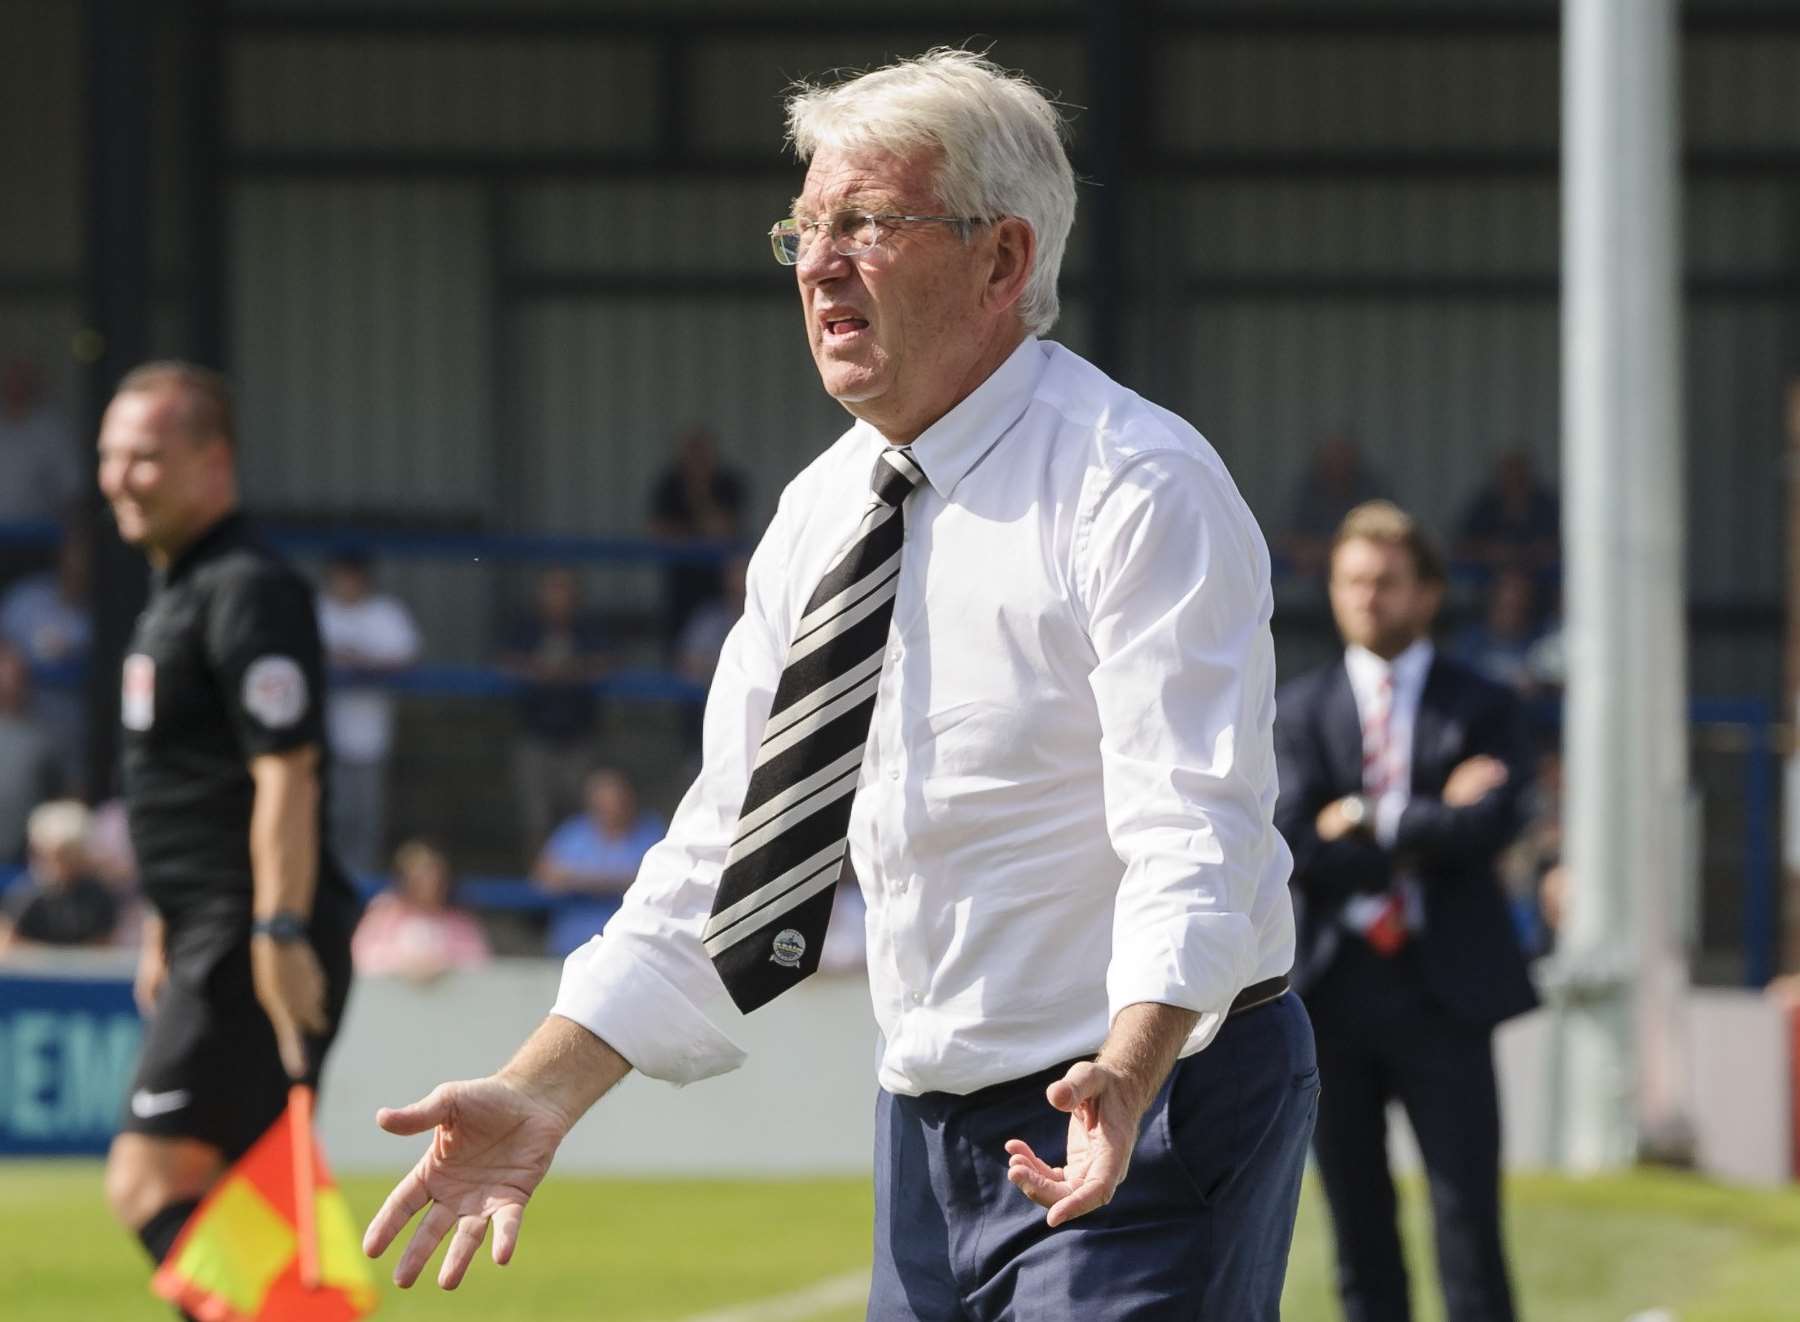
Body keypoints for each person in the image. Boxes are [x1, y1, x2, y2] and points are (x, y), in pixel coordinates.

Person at [364, 50, 1312, 1319]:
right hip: (924, 1123)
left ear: (1001, 260)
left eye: (867, 223)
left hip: (1149, 1105)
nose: (817, 263)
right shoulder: (821, 513)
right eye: (805, 227)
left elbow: (1196, 830)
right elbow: (729, 851)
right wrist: (541, 1087)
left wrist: (1129, 1075)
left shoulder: (1135, 487)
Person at [93, 361, 362, 1310]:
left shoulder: (249, 588)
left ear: (215, 463)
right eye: (111, 455)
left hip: (249, 931)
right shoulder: (179, 590)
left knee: (150, 1179)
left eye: (147, 456)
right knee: (245, 1197)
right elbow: (196, 782)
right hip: (209, 928)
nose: (121, 476)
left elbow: (286, 768)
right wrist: (166, 924)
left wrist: (277, 933)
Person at [1273, 500, 1537, 1322]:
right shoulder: (1298, 709)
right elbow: (1293, 845)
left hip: (1444, 990)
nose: (1367, 597)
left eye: (1387, 582)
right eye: (1353, 581)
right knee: (1356, 1223)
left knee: (1467, 1219)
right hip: (1332, 992)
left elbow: (1491, 823)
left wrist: (1361, 814)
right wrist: (1426, 821)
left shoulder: (1485, 704)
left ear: (1426, 593)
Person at [316, 548, 421, 875]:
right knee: (329, 819)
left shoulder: (385, 613)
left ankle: (359, 893)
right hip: (322, 738)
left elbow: (407, 656)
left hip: (370, 738)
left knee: (366, 821)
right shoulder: (317, 610)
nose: (347, 583)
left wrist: (359, 661)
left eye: (353, 576)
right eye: (341, 576)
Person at [498, 567, 611, 854]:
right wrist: (538, 670)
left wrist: (571, 671)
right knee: (535, 819)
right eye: (552, 589)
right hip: (535, 736)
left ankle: (579, 881)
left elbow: (607, 663)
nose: (558, 597)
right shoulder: (526, 628)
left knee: (582, 816)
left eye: (564, 589)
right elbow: (504, 663)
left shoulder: (587, 628)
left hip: (579, 736)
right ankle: (541, 887)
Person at [531, 767, 664, 958]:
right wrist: (612, 882)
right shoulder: (574, 832)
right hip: (571, 950)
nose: (610, 805)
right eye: (602, 799)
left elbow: (659, 881)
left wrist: (579, 880)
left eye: (616, 798)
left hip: (633, 953)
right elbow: (542, 878)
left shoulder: (650, 831)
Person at [1, 533, 95, 792]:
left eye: (87, 555)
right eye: (74, 553)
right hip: (22, 735)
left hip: (76, 747)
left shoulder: (104, 614)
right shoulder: (24, 601)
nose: (79, 563)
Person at [648, 426, 748, 646]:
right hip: (680, 581)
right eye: (691, 452)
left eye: (702, 451)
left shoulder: (728, 483)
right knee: (679, 645)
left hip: (721, 583)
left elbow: (724, 530)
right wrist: (698, 535)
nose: (697, 458)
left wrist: (699, 494)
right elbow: (658, 533)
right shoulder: (669, 484)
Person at [352, 839, 490, 982]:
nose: (428, 884)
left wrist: (442, 964)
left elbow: (479, 966)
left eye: (434, 877)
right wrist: (404, 964)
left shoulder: (461, 923)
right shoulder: (383, 915)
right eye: (420, 878)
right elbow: (361, 958)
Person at [0, 799, 117, 954]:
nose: (59, 863)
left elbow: (104, 947)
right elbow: (7, 946)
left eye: (68, 853)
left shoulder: (98, 895)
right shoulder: (24, 895)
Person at [1280, 431, 1388, 579]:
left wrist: (1332, 550)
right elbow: (1293, 545)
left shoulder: (1370, 490)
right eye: (1331, 459)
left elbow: (1384, 539)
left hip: (1362, 569)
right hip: (1313, 577)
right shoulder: (1308, 491)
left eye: (1343, 457)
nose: (1337, 464)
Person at [0, 640, 63, 866]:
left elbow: (61, 802)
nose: (9, 679)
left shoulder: (43, 737)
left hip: (24, 864)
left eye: (16, 673)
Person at [1455, 450, 1560, 575]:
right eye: (1508, 474)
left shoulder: (1545, 505)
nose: (1513, 481)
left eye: (1519, 477)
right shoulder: (1486, 506)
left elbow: (1564, 543)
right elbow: (1462, 545)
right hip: (1492, 578)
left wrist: (1532, 553)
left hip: (1541, 577)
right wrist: (1490, 551)